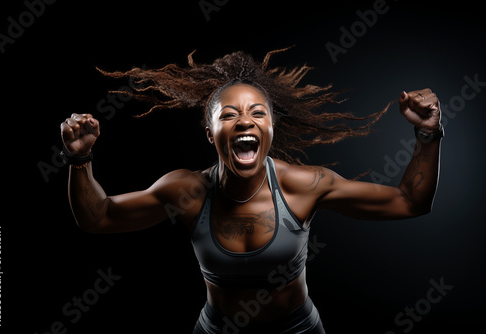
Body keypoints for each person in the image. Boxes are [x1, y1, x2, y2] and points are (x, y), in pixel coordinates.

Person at [60, 47, 443, 333]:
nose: (245, 120)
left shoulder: (304, 186)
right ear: (211, 133)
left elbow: (410, 202)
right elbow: (100, 218)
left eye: (257, 112)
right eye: (228, 115)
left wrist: (428, 134)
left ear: (271, 127)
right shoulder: (186, 190)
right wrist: (80, 160)